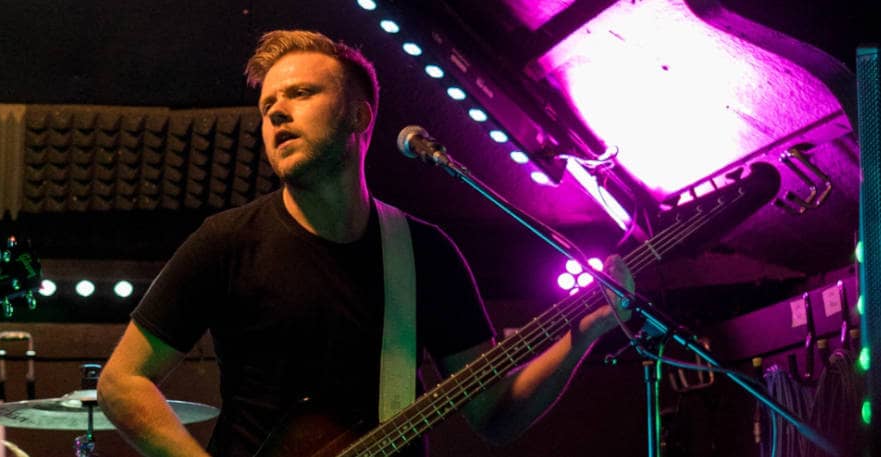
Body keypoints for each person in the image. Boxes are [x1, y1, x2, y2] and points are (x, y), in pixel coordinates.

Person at [96, 30, 634, 457]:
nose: (277, 112)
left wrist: (580, 338)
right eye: (267, 106)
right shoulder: (226, 242)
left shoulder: (425, 253)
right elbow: (122, 382)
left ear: (359, 116)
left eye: (301, 93)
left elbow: (493, 416)